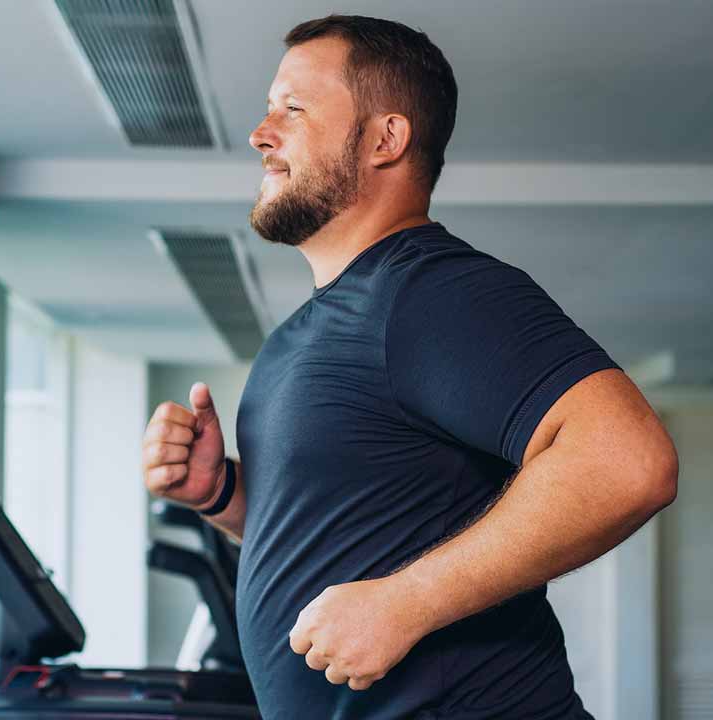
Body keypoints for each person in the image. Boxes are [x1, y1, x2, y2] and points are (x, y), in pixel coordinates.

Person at [141, 14, 678, 720]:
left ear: (385, 140)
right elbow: (348, 532)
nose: (261, 133)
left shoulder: (429, 291)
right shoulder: (316, 328)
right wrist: (221, 494)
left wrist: (409, 601)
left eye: (293, 109)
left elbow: (628, 461)